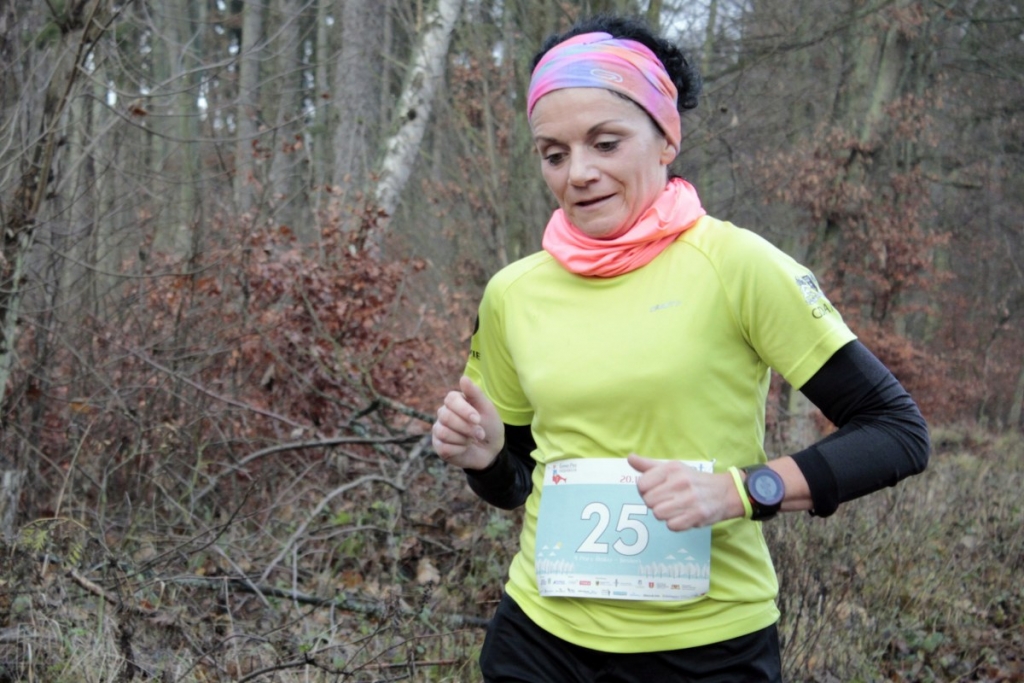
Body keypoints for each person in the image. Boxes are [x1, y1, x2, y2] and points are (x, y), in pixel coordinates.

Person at [432, 14, 929, 683]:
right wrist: (487, 458)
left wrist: (740, 491)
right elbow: (517, 482)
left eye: (606, 143)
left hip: (707, 647)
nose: (579, 173)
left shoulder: (736, 264)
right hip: (540, 639)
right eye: (554, 154)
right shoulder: (512, 292)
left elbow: (897, 431)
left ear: (667, 138)